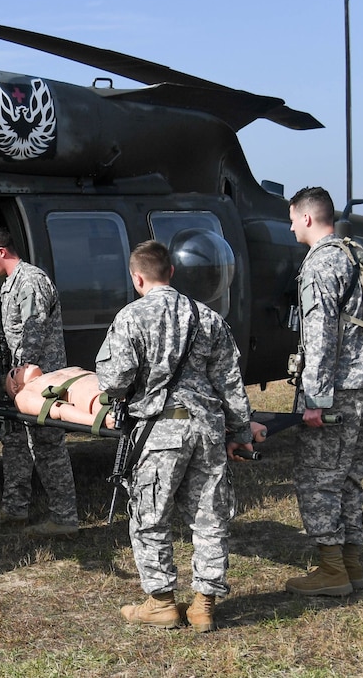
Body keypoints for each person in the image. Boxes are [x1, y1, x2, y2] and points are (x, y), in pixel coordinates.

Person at [96, 240, 258, 632]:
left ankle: (162, 602)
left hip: (157, 432)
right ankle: (204, 604)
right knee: (209, 517)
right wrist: (239, 431)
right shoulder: (208, 318)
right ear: (172, 272)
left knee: (150, 515)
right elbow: (230, 382)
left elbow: (113, 380)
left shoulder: (131, 318)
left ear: (137, 278)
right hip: (206, 429)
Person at [285, 186, 363, 596]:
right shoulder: (353, 253)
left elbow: (321, 335)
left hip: (337, 387)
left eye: (292, 217)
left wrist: (315, 400)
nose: (290, 225)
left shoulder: (321, 264)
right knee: (348, 476)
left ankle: (331, 569)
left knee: (318, 476)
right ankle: (351, 564)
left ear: (307, 218)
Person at [0, 228, 81, 537]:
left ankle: (64, 518)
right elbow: (19, 328)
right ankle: (15, 509)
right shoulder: (11, 284)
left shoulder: (31, 280)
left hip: (39, 381)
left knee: (48, 447)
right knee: (14, 443)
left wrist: (20, 373)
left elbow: (33, 332)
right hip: (20, 381)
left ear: (2, 252)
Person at [5, 364, 116, 430]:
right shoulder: (22, 395)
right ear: (14, 387)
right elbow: (60, 411)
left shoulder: (52, 374)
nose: (24, 365)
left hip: (117, 387)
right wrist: (100, 422)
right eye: (16, 371)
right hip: (100, 403)